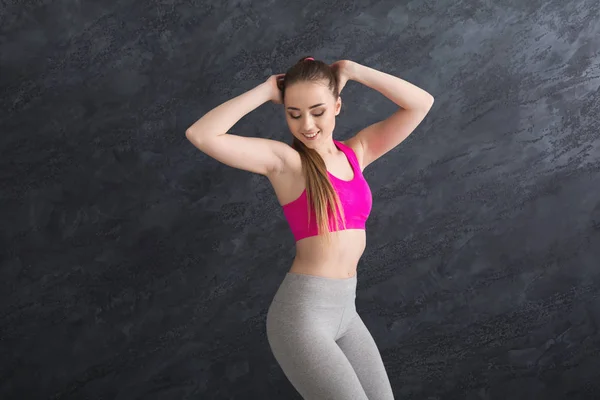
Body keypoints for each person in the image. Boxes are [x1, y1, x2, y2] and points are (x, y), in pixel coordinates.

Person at [186, 56, 434, 399]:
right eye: (294, 113)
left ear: (337, 105)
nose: (307, 124)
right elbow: (200, 134)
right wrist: (264, 90)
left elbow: (421, 104)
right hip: (303, 317)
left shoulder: (355, 153)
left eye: (317, 111)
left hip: (347, 310)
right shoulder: (287, 164)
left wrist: (351, 70)